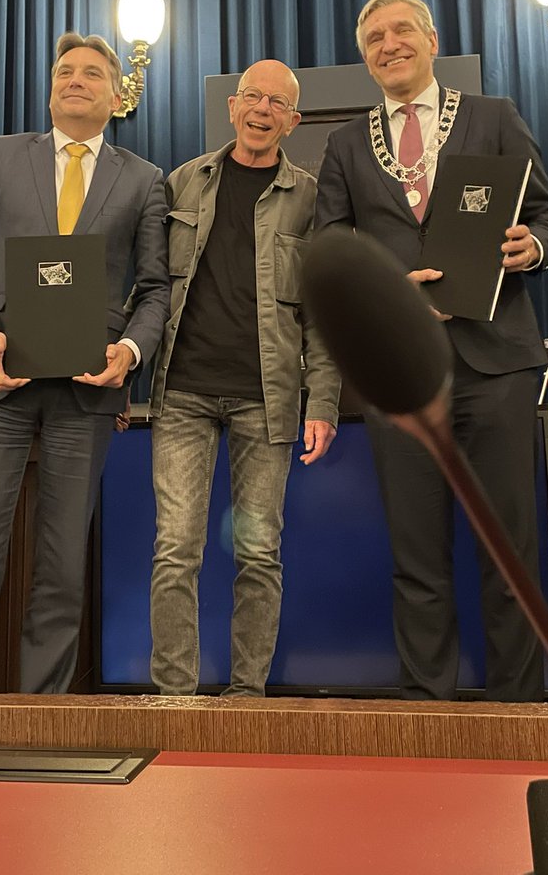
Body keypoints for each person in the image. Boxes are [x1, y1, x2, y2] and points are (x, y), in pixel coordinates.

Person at [315, 0, 548, 702]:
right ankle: (432, 717)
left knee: (509, 553)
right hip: (399, 375)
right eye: (374, 40)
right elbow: (330, 246)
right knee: (416, 556)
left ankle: (518, 714)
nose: (389, 45)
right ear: (365, 59)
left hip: (497, 363)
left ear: (431, 40)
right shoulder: (345, 144)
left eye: (401, 32)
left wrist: (532, 246)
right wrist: (387, 283)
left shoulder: (493, 117)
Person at [0, 32, 170, 694]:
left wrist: (130, 352)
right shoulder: (0, 157)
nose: (75, 80)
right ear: (51, 86)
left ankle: (44, 715)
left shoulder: (146, 180)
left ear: (118, 96)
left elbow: (155, 288)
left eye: (92, 73)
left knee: (63, 563)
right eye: (65, 71)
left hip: (88, 390)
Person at [149, 59, 341, 697]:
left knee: (258, 555)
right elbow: (147, 293)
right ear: (233, 107)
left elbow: (324, 313)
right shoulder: (183, 184)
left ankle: (246, 697)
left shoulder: (310, 197)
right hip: (181, 394)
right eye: (252, 97)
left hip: (270, 400)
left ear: (293, 119)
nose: (262, 110)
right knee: (177, 549)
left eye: (277, 102)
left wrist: (325, 403)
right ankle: (174, 700)